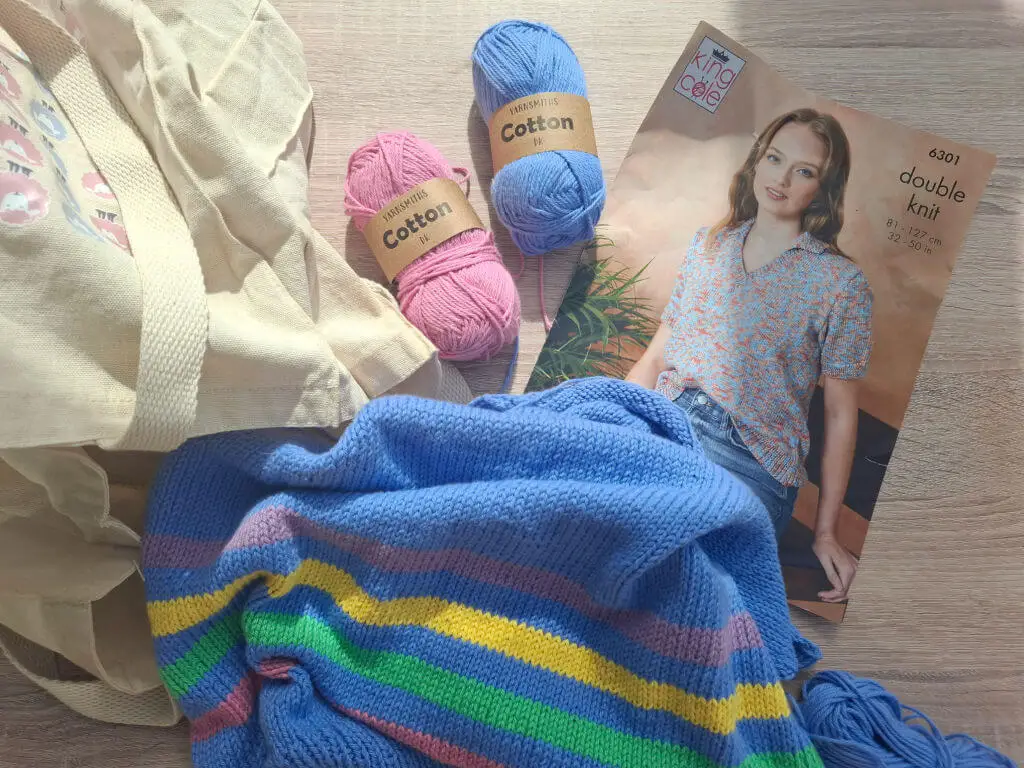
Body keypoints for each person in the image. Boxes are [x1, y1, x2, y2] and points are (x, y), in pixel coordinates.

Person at [627, 108, 873, 603]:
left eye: (804, 170)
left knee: (674, 569)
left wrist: (826, 532)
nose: (782, 178)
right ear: (757, 162)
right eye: (775, 158)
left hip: (748, 462)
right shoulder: (709, 245)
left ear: (823, 188)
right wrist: (616, 420)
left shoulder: (841, 284)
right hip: (667, 421)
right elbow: (657, 358)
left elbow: (841, 413)